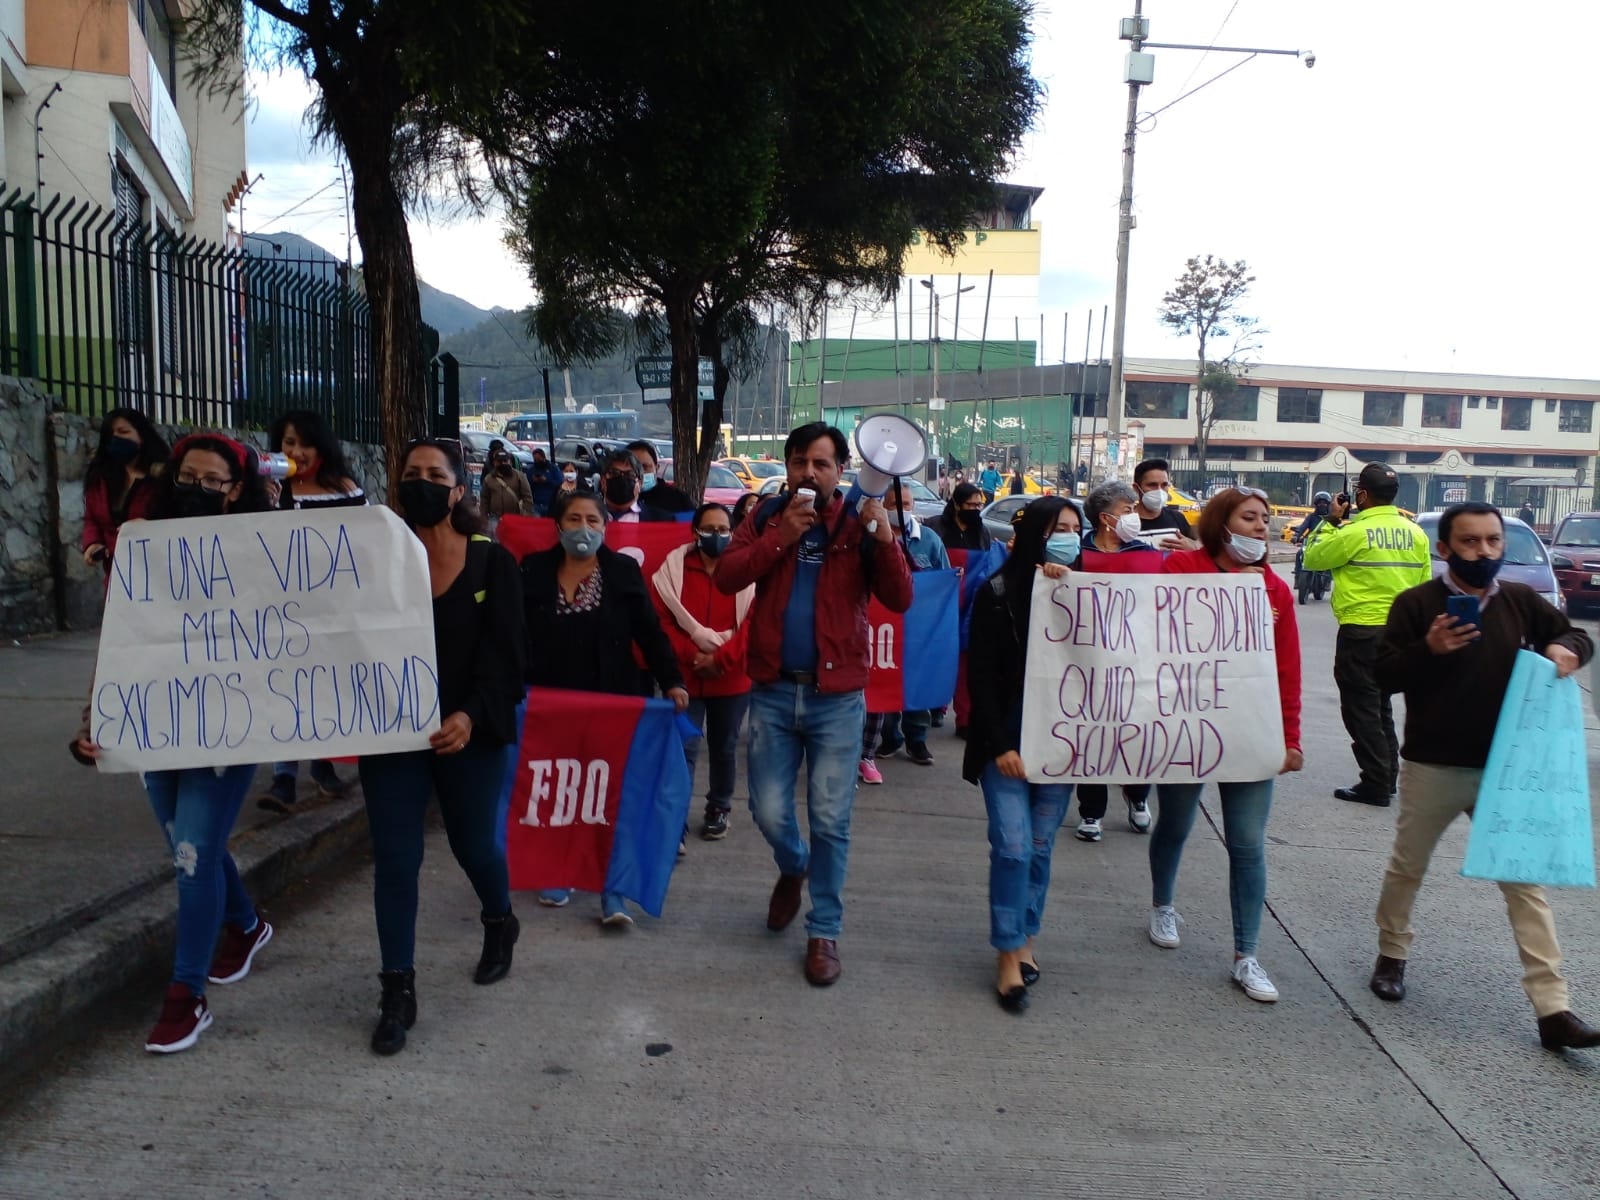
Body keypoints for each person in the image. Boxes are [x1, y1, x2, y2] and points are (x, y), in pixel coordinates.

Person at [1371, 501, 1600, 1052]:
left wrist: (1564, 650)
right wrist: (1429, 650)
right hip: (1435, 762)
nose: (1484, 552)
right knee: (1408, 867)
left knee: (1525, 885)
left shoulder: (1522, 602)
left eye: (1493, 541)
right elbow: (1381, 675)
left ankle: (1553, 1010)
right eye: (1470, 542)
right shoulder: (1417, 604)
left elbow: (1578, 638)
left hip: (1508, 768)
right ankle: (1392, 956)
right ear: (1444, 548)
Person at [73, 434, 275, 1054]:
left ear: (234, 490)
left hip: (225, 730)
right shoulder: (139, 553)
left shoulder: (263, 553)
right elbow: (122, 640)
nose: (197, 487)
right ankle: (245, 925)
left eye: (212, 480)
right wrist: (94, 717)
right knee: (194, 847)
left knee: (191, 859)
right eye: (188, 475)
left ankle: (185, 998)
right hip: (155, 725)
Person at [716, 422, 913, 986]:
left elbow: (900, 598)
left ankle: (824, 930)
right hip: (775, 690)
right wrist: (780, 538)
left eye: (821, 464)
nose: (808, 472)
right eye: (799, 461)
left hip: (837, 697)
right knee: (768, 811)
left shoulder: (859, 522)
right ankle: (792, 866)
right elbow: (729, 576)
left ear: (840, 470)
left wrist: (885, 540)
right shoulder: (764, 517)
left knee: (832, 819)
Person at [358, 438, 526, 1056]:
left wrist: (471, 714)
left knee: (472, 843)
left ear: (459, 490)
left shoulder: (491, 564)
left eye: (436, 474)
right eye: (411, 474)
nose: (422, 483)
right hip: (392, 735)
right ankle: (396, 989)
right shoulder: (373, 561)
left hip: (469, 733)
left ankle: (498, 918)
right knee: (396, 859)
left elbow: (509, 664)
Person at [1147, 487, 1303, 1003]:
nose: (1262, 528)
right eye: (1251, 518)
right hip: (1189, 723)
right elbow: (1163, 632)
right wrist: (1233, 592)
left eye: (1266, 521)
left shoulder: (1275, 590)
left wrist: (1291, 736)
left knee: (1247, 842)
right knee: (1175, 822)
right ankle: (1163, 904)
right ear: (1222, 524)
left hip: (1250, 726)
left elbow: (1287, 668)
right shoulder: (1180, 567)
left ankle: (1247, 954)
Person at [521, 489, 690, 924]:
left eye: (592, 520)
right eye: (574, 519)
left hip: (614, 703)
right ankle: (560, 870)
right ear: (557, 526)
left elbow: (649, 633)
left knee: (611, 795)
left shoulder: (622, 570)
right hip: (552, 704)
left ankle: (613, 888)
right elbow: (514, 635)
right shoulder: (534, 570)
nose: (583, 528)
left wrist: (671, 681)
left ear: (605, 527)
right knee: (561, 791)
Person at [965, 496, 1080, 1013]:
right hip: (1007, 744)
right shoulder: (998, 592)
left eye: (1076, 529)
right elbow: (982, 678)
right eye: (1059, 529)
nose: (1070, 538)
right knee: (1012, 847)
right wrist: (1000, 743)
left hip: (1063, 749)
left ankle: (1025, 935)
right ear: (1036, 533)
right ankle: (1008, 950)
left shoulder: (1091, 594)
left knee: (1038, 845)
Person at [1301, 462, 1430, 806]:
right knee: (1380, 705)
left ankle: (1375, 782)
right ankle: (1387, 778)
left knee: (1361, 708)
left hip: (1362, 630)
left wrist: (1329, 520)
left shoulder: (1354, 532)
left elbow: (1312, 559)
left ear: (1361, 495)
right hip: (1400, 634)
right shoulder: (1416, 533)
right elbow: (1423, 588)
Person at [258, 409, 366, 813]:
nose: (297, 452)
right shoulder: (267, 491)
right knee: (284, 689)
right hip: (280, 613)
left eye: (305, 443)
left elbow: (363, 547)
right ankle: (283, 777)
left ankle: (322, 764)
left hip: (332, 611)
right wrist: (260, 503)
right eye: (288, 443)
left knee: (321, 687)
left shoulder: (346, 489)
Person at [651, 503, 753, 841]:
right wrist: (692, 654)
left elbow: (754, 624)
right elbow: (663, 621)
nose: (716, 535)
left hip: (733, 676)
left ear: (733, 531)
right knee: (683, 747)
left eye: (723, 529)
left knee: (724, 746)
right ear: (695, 531)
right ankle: (674, 819)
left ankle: (719, 806)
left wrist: (720, 659)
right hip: (686, 676)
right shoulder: (674, 568)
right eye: (708, 529)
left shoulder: (746, 568)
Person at [1074, 480, 1161, 840]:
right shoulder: (1076, 554)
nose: (1135, 516)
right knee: (1090, 734)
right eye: (1128, 510)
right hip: (1086, 662)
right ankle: (1091, 812)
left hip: (1137, 662)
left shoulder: (1148, 554)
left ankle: (1138, 795)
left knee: (1139, 732)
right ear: (1106, 518)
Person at [862, 479, 951, 780]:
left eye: (908, 505)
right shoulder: (871, 538)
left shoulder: (928, 540)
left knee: (915, 684)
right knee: (884, 685)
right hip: (882, 629)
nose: (901, 511)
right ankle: (889, 738)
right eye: (893, 506)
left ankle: (917, 740)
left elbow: (942, 576)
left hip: (918, 629)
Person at [81, 407, 168, 578]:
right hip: (117, 579)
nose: (116, 439)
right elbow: (92, 518)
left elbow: (179, 520)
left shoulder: (164, 477)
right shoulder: (101, 477)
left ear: (142, 435)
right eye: (111, 435)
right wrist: (93, 542)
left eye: (123, 432)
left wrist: (151, 528)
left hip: (159, 576)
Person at [1132, 457, 1196, 547]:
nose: (1159, 490)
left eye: (1164, 485)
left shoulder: (1178, 519)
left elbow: (1194, 551)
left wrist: (1191, 549)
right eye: (1152, 485)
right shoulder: (1125, 523)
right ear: (1136, 488)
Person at [600, 449, 676, 523]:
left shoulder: (663, 521)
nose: (622, 478)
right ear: (603, 481)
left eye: (630, 475)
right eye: (614, 473)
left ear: (640, 483)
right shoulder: (589, 515)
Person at [627, 439, 695, 516]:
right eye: (632, 467)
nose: (639, 473)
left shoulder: (678, 500)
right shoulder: (614, 498)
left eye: (645, 467)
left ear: (656, 468)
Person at [926, 482, 992, 552]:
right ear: (956, 505)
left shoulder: (983, 532)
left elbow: (986, 558)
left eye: (979, 505)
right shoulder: (934, 527)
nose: (976, 509)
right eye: (971, 504)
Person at [479, 439, 535, 520]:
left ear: (510, 462)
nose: (503, 463)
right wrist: (483, 518)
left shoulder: (519, 476)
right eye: (499, 461)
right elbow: (484, 499)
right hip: (495, 519)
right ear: (495, 463)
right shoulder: (488, 479)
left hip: (516, 519)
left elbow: (527, 497)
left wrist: (526, 516)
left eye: (505, 461)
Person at [526, 447, 558, 514]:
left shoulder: (553, 468)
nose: (537, 461)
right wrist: (533, 481)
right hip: (536, 504)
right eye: (535, 460)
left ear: (543, 458)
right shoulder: (531, 470)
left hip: (550, 504)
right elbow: (526, 487)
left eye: (539, 459)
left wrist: (547, 480)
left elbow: (559, 483)